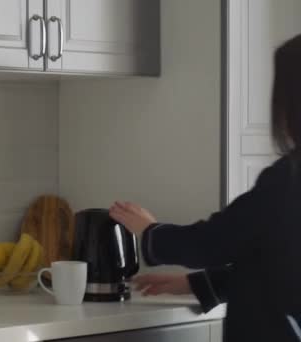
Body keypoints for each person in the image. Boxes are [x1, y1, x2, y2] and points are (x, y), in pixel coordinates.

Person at [109, 34, 301, 342]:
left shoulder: (286, 181)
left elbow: (214, 241)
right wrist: (197, 284)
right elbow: (273, 265)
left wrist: (149, 232)